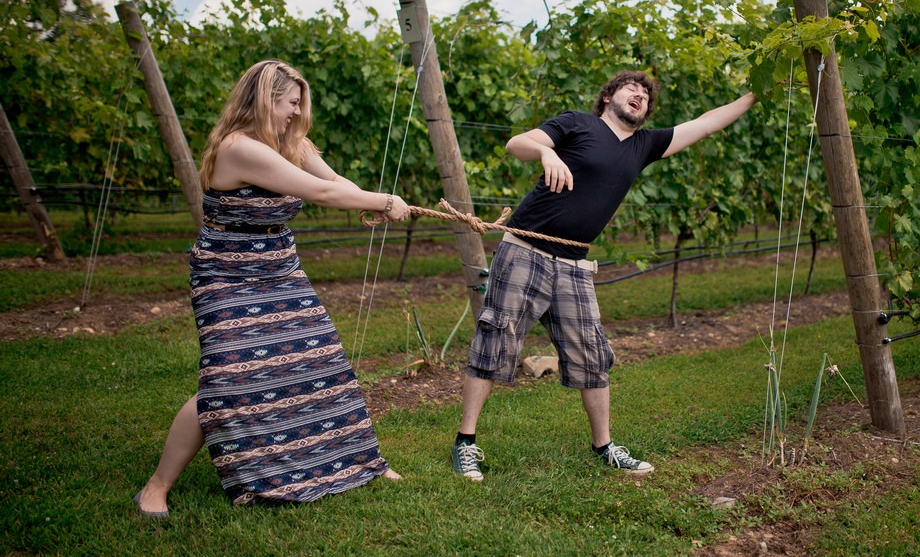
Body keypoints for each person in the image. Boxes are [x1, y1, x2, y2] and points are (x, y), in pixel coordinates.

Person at [133, 59, 411, 517]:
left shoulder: (290, 144)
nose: (297, 114)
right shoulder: (240, 149)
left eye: (300, 105)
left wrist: (372, 202)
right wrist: (384, 202)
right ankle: (156, 487)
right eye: (292, 104)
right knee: (227, 380)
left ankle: (358, 462)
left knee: (319, 360)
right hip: (227, 274)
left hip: (279, 266)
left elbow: (336, 183)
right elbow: (323, 196)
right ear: (266, 99)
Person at [451, 71, 757, 481]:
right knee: (496, 338)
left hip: (575, 265)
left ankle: (604, 447)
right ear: (610, 95)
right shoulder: (578, 123)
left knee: (592, 355)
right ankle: (465, 444)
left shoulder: (644, 146)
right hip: (526, 250)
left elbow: (705, 123)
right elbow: (516, 143)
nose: (640, 95)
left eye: (646, 95)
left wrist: (756, 93)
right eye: (633, 88)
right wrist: (547, 153)